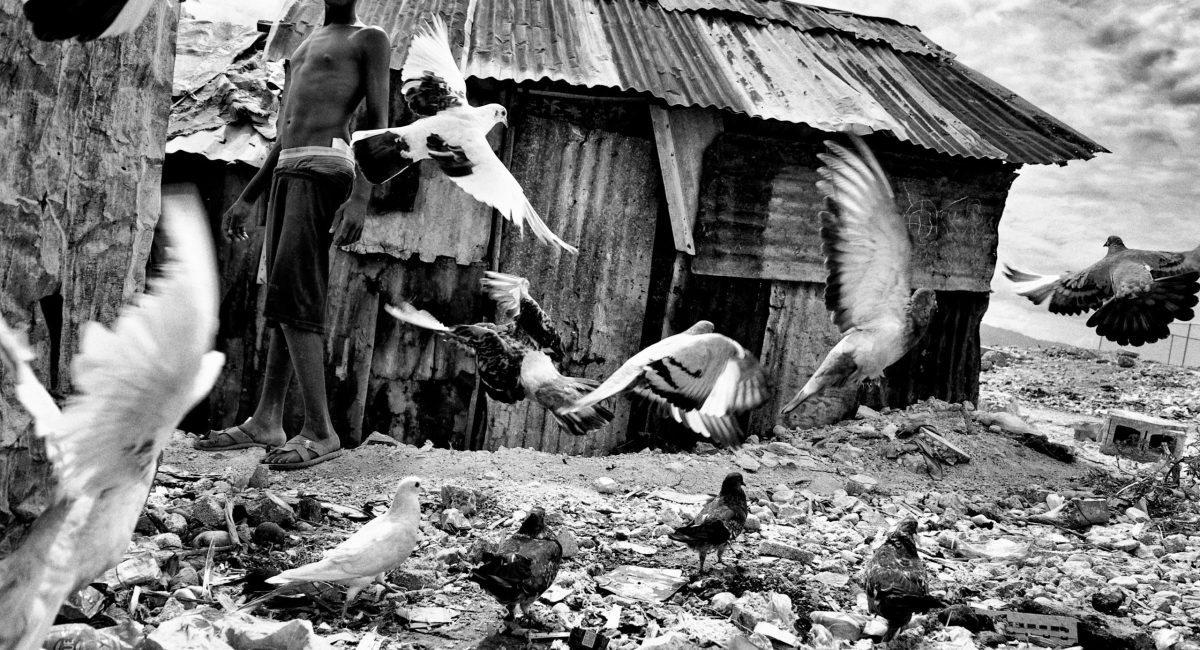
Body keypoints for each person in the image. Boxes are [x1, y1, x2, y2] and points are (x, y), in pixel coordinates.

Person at [194, 0, 390, 469]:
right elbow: (284, 132)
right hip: (286, 169)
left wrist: (362, 196)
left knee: (295, 291)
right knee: (282, 294)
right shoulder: (305, 44)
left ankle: (321, 431)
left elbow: (378, 121)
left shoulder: (369, 38)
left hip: (324, 167)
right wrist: (249, 197)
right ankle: (266, 419)